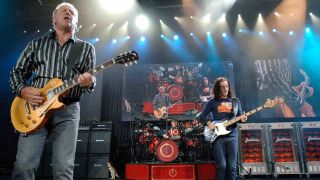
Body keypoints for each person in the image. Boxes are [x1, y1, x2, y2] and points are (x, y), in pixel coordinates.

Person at [9, 2, 96, 179]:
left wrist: (88, 82)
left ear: (77, 21)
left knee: (63, 169)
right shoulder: (37, 44)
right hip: (34, 108)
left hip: (68, 111)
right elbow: (16, 72)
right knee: (23, 166)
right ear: (53, 19)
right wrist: (23, 90)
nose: (68, 12)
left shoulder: (86, 48)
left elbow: (90, 85)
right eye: (63, 10)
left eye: (72, 11)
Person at [199, 77, 247, 180]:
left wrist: (243, 119)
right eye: (222, 87)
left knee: (232, 167)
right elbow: (201, 116)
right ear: (218, 89)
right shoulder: (213, 102)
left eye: (227, 86)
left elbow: (239, 116)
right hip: (218, 137)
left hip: (232, 135)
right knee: (222, 166)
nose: (225, 89)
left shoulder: (235, 101)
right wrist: (208, 123)